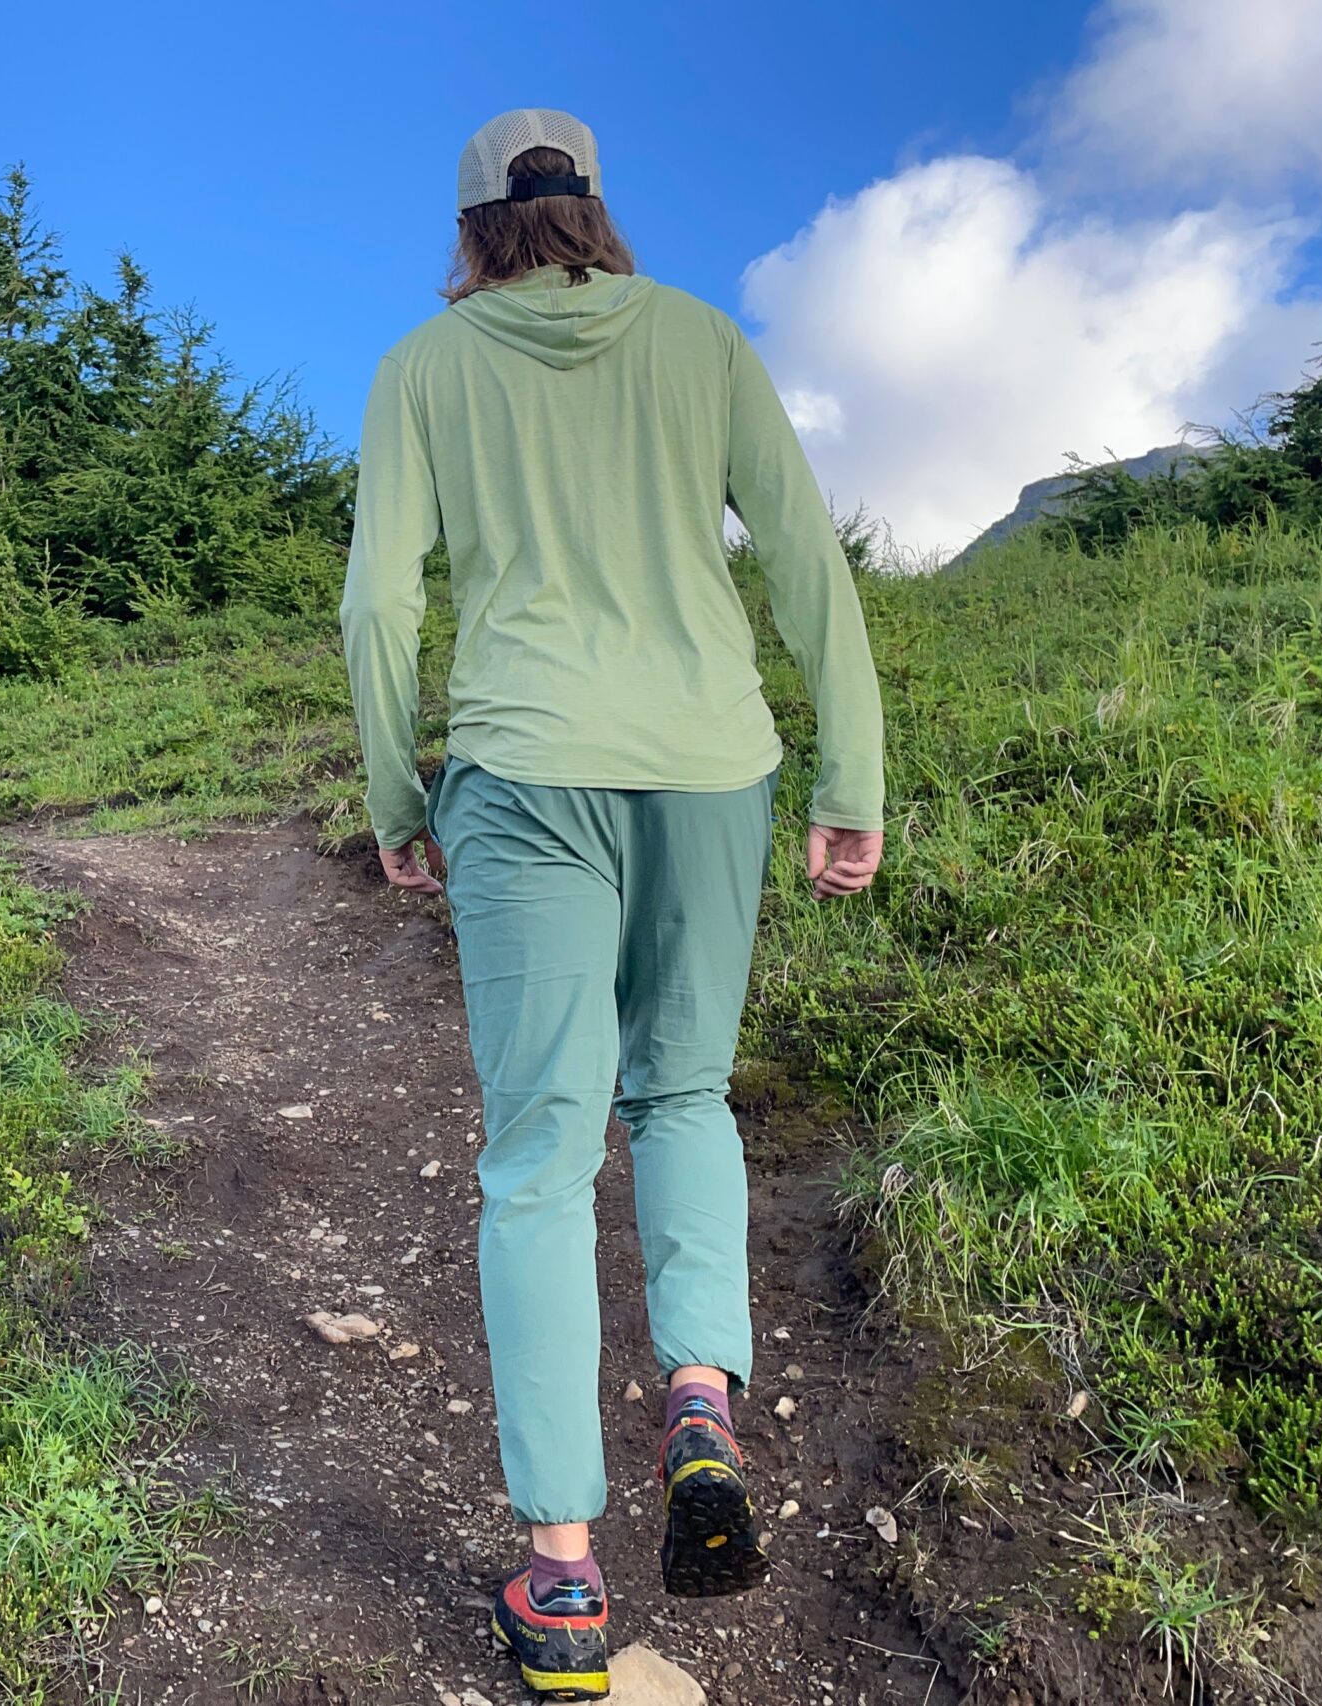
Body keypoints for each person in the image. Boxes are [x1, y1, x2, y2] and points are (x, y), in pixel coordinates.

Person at [338, 108, 886, 1700]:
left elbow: (381, 601)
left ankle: (563, 1582)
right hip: (715, 765)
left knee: (536, 1157)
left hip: (522, 773)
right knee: (687, 1090)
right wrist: (850, 772)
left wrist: (395, 793)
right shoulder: (703, 339)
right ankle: (701, 1397)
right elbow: (804, 558)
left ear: (472, 231)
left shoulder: (419, 373)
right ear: (592, 207)